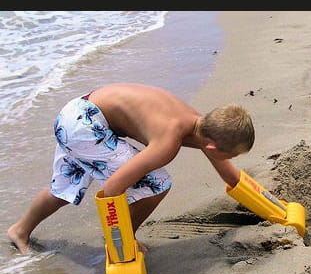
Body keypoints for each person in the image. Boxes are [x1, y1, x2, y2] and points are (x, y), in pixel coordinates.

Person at [7, 83, 255, 254]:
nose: (229, 159)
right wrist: (119, 239)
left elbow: (226, 172)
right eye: (232, 154)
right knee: (158, 184)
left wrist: (265, 203)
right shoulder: (167, 143)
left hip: (74, 113)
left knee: (64, 188)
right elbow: (114, 188)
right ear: (212, 146)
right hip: (86, 126)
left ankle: (19, 230)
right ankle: (124, 238)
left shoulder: (199, 122)